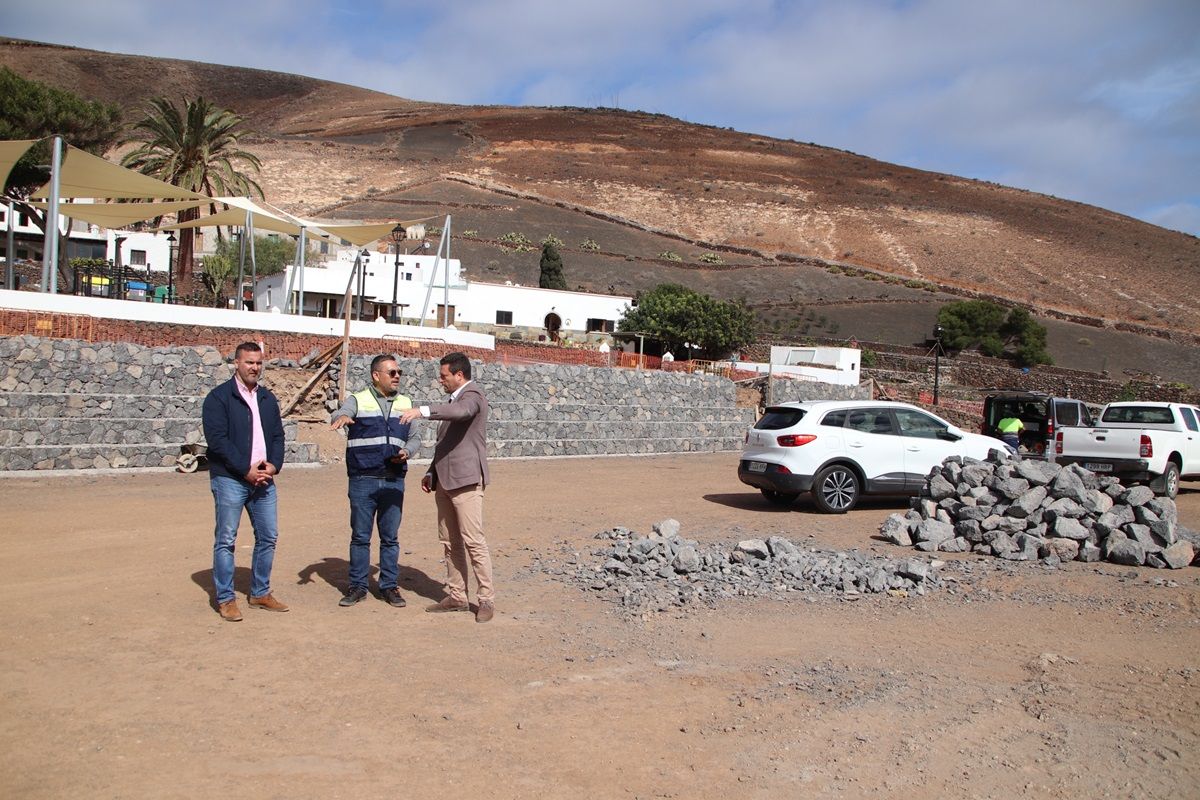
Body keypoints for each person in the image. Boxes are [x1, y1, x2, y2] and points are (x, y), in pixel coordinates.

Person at [399, 352, 495, 623]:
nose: (440, 380)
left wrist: (423, 410)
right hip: (445, 481)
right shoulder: (452, 401)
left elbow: (462, 413)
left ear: (459, 375)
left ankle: (486, 599)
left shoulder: (473, 396)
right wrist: (432, 472)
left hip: (466, 481)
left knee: (473, 542)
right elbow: (446, 446)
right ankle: (457, 596)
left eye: (444, 376)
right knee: (449, 542)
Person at [201, 341, 288, 621]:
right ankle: (226, 598)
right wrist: (244, 470)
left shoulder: (267, 398)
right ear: (236, 363)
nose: (254, 367)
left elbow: (277, 435)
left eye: (259, 363)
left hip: (264, 480)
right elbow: (218, 441)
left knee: (268, 536)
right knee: (226, 539)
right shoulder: (218, 398)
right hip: (231, 479)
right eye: (249, 362)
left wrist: (273, 465)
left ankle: (259, 592)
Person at [330, 354, 414, 608]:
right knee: (360, 537)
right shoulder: (358, 400)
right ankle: (358, 586)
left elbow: (415, 437)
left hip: (393, 480)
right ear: (376, 376)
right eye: (391, 372)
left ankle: (389, 587)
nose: (397, 376)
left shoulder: (406, 403)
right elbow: (343, 412)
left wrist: (408, 451)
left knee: (390, 538)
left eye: (398, 371)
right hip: (363, 479)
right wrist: (341, 417)